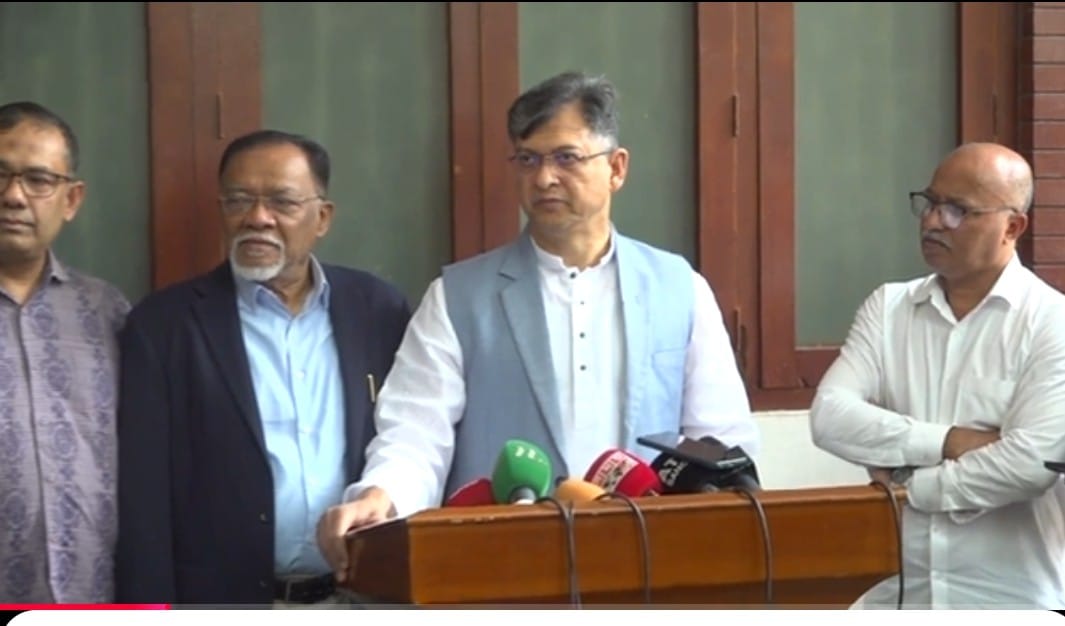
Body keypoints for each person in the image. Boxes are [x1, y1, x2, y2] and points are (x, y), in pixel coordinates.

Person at [317, 71, 759, 579]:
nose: (544, 177)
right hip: (504, 569)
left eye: (566, 158)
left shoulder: (680, 288)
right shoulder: (458, 296)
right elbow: (415, 433)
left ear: (616, 168)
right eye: (528, 159)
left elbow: (720, 439)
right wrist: (382, 495)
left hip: (648, 565)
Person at [114, 130, 411, 606]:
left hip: (363, 595)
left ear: (322, 217)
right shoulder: (165, 326)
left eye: (282, 202)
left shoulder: (378, 310)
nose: (257, 218)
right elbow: (144, 501)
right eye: (238, 201)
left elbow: (413, 439)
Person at [809, 142, 1065, 609]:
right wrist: (950, 441)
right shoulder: (889, 308)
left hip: (1012, 599)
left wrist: (912, 486)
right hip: (901, 595)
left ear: (1012, 227)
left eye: (957, 210)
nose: (932, 221)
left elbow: (1029, 465)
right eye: (929, 203)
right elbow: (830, 417)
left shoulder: (1051, 322)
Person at [0, 101, 130, 603]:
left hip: (96, 593)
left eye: (38, 180)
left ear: (71, 199)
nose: (14, 196)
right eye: (1, 175)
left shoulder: (108, 312)